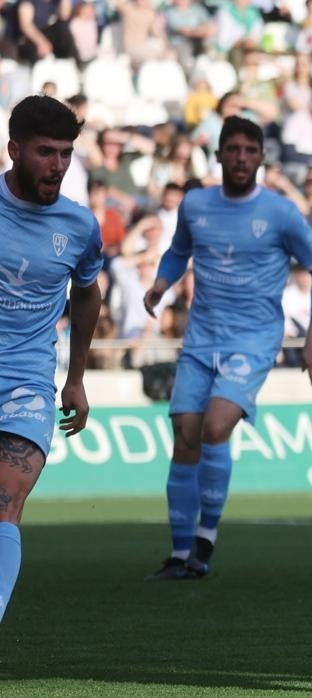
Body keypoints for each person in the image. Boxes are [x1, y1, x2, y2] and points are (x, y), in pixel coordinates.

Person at [143, 116, 312, 581]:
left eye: (251, 150)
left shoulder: (280, 212)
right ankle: (179, 551)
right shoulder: (196, 204)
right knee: (185, 434)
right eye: (233, 149)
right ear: (219, 155)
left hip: (252, 338)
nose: (242, 158)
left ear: (263, 157)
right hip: (202, 335)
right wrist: (162, 284)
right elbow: (178, 251)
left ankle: (206, 540)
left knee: (214, 425)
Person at [0, 95, 103, 622]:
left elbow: (87, 294)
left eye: (66, 153)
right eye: (45, 152)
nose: (57, 166)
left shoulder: (80, 226)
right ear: (14, 149)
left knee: (6, 500)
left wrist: (77, 379)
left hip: (26, 381)